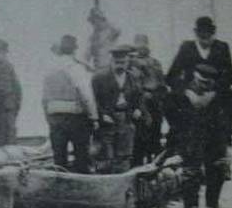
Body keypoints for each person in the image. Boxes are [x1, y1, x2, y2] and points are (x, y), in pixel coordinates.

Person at [167, 63, 232, 208]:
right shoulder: (181, 95)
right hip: (190, 141)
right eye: (202, 82)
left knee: (216, 174)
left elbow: (227, 119)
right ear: (195, 79)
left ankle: (212, 207)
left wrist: (226, 142)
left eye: (209, 83)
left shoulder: (220, 96)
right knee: (190, 176)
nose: (205, 86)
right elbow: (173, 118)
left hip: (214, 141)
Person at [42, 34, 99, 174]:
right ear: (74, 50)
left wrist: (48, 117)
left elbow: (44, 98)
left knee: (59, 157)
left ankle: (59, 187)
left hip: (54, 117)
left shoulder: (49, 69)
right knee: (81, 156)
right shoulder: (76, 67)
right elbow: (86, 95)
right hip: (75, 117)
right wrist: (94, 117)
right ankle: (81, 188)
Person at [92, 44, 144, 174]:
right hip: (107, 120)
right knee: (105, 156)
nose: (120, 65)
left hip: (126, 119)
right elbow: (93, 100)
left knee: (124, 156)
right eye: (117, 62)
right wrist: (101, 114)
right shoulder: (99, 77)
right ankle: (105, 187)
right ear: (111, 61)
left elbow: (139, 97)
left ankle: (121, 187)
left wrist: (138, 109)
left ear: (128, 62)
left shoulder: (133, 78)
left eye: (123, 62)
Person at [166, 16, 232, 95]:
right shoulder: (186, 47)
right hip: (190, 93)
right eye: (201, 31)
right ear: (196, 32)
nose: (205, 35)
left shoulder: (222, 47)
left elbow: (230, 76)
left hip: (215, 93)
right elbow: (171, 77)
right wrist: (189, 86)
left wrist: (214, 85)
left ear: (213, 32)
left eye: (208, 31)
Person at [130, 33, 168, 164]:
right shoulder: (131, 62)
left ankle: (155, 168)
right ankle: (137, 167)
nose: (141, 46)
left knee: (155, 138)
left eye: (144, 43)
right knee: (139, 140)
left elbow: (162, 85)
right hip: (139, 104)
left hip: (155, 104)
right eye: (138, 43)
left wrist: (160, 99)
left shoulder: (156, 63)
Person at [84, 6, 121, 71]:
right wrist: (86, 64)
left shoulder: (110, 31)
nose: (94, 23)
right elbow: (87, 55)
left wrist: (105, 21)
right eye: (92, 21)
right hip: (98, 68)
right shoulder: (92, 37)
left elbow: (118, 31)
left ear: (101, 19)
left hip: (110, 66)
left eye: (96, 20)